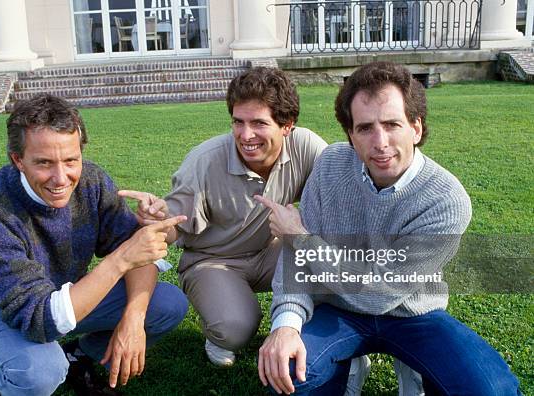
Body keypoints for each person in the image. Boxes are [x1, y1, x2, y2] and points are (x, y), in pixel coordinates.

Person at [124, 67, 420, 395]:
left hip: (272, 249)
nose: (245, 135)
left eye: (259, 123)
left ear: (287, 126)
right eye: (238, 121)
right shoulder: (205, 160)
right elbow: (173, 226)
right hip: (214, 260)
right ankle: (219, 330)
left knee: (327, 260)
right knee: (237, 328)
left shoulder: (307, 146)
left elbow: (347, 179)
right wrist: (158, 219)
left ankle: (345, 349)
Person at [256, 61, 521, 394]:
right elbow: (296, 264)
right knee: (288, 382)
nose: (380, 141)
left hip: (413, 315)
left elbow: (378, 293)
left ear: (416, 128)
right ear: (351, 135)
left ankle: (412, 362)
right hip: (336, 311)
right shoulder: (330, 165)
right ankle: (349, 364)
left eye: (392, 124)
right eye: (365, 128)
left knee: (492, 390)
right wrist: (286, 324)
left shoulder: (447, 200)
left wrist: (302, 238)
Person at [0, 94, 188, 396]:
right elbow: (39, 321)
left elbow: (138, 254)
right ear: (17, 160)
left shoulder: (92, 181)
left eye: (71, 160)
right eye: (44, 163)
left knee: (167, 304)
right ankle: (1, 386)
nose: (61, 178)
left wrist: (133, 319)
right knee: (42, 372)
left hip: (61, 295)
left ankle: (80, 357)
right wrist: (121, 259)